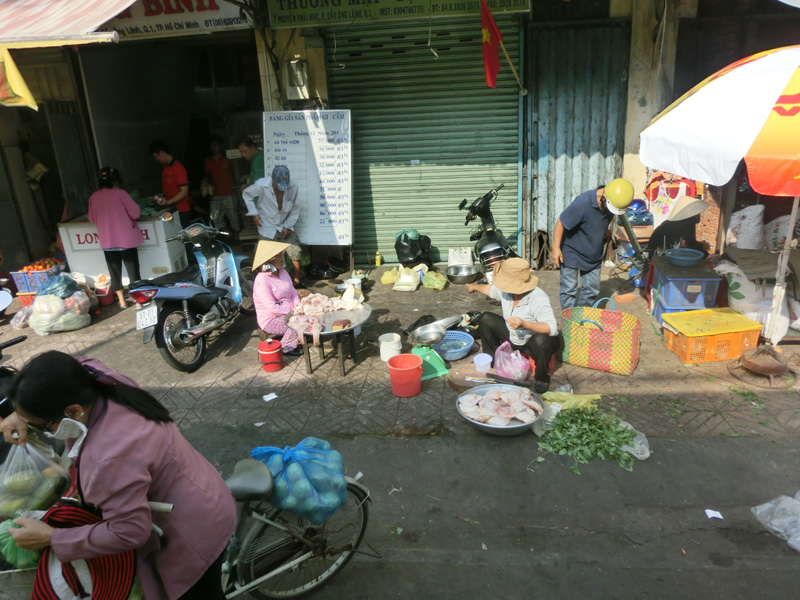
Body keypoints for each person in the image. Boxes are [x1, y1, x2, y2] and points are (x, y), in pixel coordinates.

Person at [0, 352, 236, 600]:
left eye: (42, 426)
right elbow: (74, 364)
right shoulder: (94, 379)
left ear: (74, 411)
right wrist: (21, 413)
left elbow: (129, 531)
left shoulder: (108, 457)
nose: (40, 430)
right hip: (201, 489)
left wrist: (52, 537)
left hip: (192, 536)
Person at [466, 257, 559, 394]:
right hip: (512, 336)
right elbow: (490, 290)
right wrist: (474, 287)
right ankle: (493, 361)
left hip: (531, 343)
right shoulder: (506, 291)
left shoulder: (537, 297)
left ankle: (542, 378)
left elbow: (552, 328)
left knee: (542, 340)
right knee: (485, 318)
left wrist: (524, 324)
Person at [552, 178, 634, 309]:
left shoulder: (613, 202)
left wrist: (604, 230)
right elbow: (561, 222)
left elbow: (596, 219)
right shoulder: (583, 203)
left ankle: (582, 316)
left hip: (593, 253)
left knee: (592, 289)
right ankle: (568, 319)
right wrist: (556, 248)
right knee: (569, 290)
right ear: (604, 198)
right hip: (572, 251)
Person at [87, 167, 142, 310]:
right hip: (126, 240)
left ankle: (122, 301)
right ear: (116, 181)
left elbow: (91, 218)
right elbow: (136, 213)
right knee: (133, 271)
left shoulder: (94, 197)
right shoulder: (121, 194)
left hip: (108, 241)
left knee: (114, 272)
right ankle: (138, 301)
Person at [243, 165, 303, 285]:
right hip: (267, 224)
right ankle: (262, 279)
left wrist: (288, 226)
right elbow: (246, 194)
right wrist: (254, 213)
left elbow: (295, 208)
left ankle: (297, 279)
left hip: (284, 223)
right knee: (264, 253)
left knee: (295, 249)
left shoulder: (293, 186)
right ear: (273, 180)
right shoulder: (261, 185)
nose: (282, 190)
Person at [252, 240, 309, 356]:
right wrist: (292, 312)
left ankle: (299, 333)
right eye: (278, 256)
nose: (282, 258)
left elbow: (293, 293)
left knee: (310, 315)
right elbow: (272, 307)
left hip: (290, 312)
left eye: (281, 255)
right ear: (269, 261)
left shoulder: (283, 273)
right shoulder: (262, 280)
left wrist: (297, 307)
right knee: (299, 321)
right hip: (271, 320)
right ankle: (286, 347)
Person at [149, 139, 195, 229]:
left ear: (162, 153)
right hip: (172, 210)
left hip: (181, 210)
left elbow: (184, 191)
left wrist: (169, 201)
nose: (156, 159)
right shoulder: (166, 167)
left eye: (155, 156)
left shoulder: (178, 168)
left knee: (184, 234)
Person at [646, 195, 710, 257]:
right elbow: (689, 245)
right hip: (660, 254)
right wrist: (701, 246)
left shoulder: (680, 222)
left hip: (666, 250)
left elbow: (688, 242)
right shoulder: (686, 224)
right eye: (697, 212)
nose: (699, 215)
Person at [203, 135, 240, 238]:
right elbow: (207, 175)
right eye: (212, 145)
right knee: (215, 217)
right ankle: (228, 233)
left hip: (230, 192)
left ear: (221, 145)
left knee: (234, 216)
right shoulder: (208, 160)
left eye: (216, 145)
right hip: (215, 194)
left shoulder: (228, 157)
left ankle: (237, 236)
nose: (214, 147)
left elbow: (236, 172)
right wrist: (205, 184)